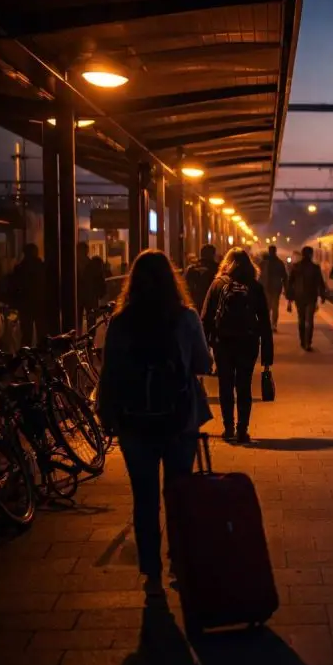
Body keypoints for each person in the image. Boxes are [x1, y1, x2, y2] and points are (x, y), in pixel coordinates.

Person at [96, 250, 213, 597]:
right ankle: (179, 559)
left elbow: (109, 373)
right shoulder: (186, 317)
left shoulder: (120, 322)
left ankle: (150, 567)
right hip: (179, 420)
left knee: (144, 497)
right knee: (179, 493)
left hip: (134, 423)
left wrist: (107, 415)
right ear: (171, 280)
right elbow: (203, 364)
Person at [201, 247, 273, 444]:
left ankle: (228, 428)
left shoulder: (217, 284)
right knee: (244, 386)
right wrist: (267, 355)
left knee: (226, 385)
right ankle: (243, 429)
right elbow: (265, 323)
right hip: (248, 343)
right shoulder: (255, 287)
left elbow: (206, 317)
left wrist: (204, 347)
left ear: (226, 263)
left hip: (222, 343)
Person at [286, 246, 326, 351]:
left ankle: (302, 341)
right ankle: (308, 343)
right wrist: (322, 295)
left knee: (301, 319)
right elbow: (320, 283)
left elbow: (290, 283)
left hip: (299, 297)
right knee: (309, 320)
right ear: (311, 254)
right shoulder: (315, 267)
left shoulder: (296, 267)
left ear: (302, 254)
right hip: (311, 297)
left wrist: (289, 298)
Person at [8, 243, 47, 347]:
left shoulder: (20, 268)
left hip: (25, 305)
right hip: (40, 303)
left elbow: (15, 286)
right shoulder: (41, 266)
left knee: (26, 334)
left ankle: (27, 357)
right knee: (41, 333)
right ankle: (41, 356)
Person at [77, 242, 106, 332]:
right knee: (89, 319)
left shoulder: (74, 265)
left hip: (85, 295)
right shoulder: (91, 264)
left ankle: (88, 338)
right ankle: (88, 338)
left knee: (89, 319)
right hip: (88, 296)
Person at [260, 245, 288, 332]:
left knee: (267, 307)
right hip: (276, 287)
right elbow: (284, 276)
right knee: (275, 307)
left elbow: (259, 276)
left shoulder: (264, 263)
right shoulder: (279, 263)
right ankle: (273, 324)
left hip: (266, 287)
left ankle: (267, 324)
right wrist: (286, 289)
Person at [185, 244, 219, 313]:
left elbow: (185, 288)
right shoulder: (217, 269)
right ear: (213, 255)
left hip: (193, 306)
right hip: (211, 308)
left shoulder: (191, 269)